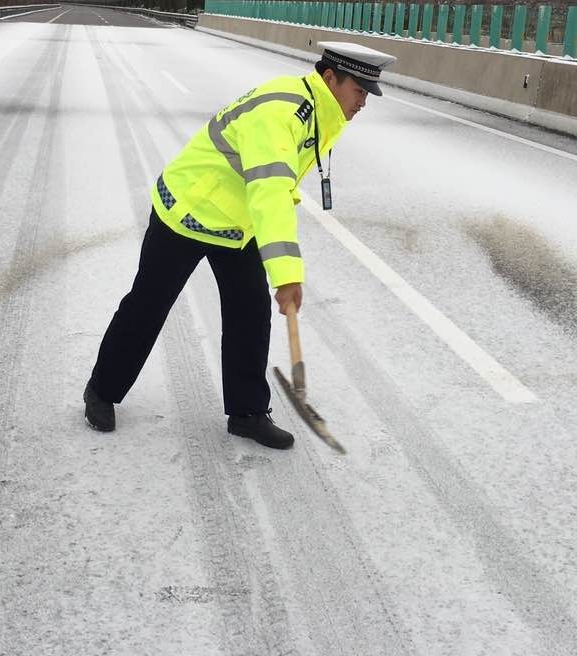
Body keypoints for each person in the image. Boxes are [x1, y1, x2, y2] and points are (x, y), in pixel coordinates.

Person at [84, 40, 397, 448]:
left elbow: (273, 189)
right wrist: (287, 275)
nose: (363, 102)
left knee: (249, 312)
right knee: (148, 304)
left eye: (368, 94)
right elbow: (270, 194)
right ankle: (101, 391)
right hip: (188, 210)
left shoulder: (318, 110)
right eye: (359, 91)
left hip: (235, 223)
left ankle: (247, 412)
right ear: (330, 78)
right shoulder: (282, 114)